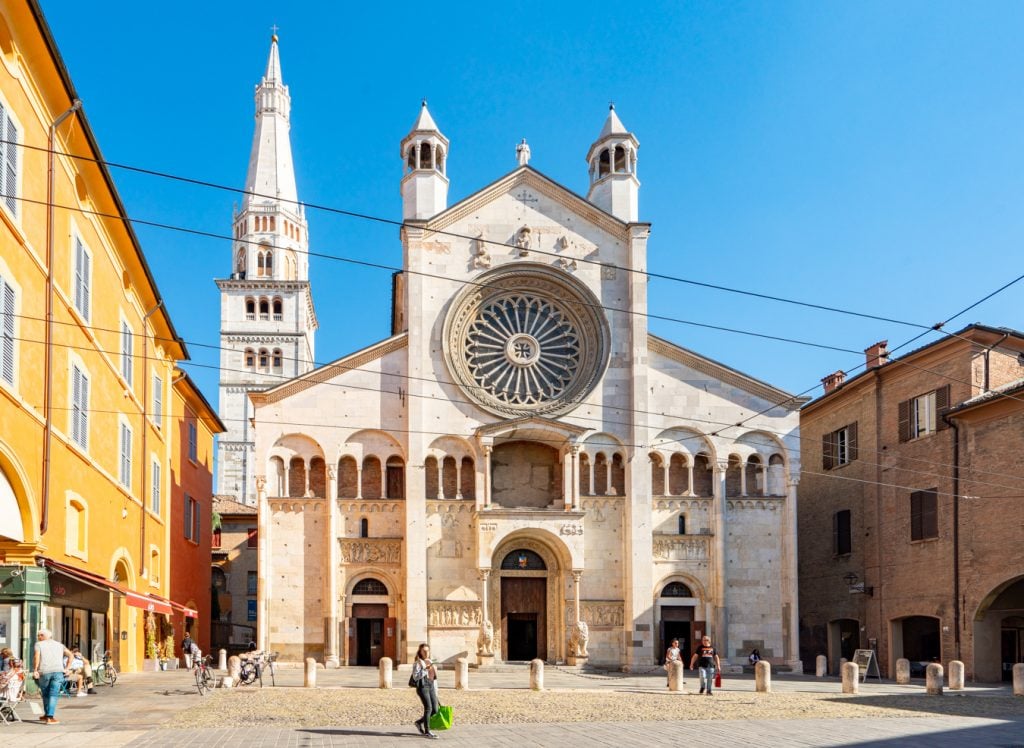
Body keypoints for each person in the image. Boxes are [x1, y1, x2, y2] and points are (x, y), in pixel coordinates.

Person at [32, 629, 73, 724]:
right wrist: (67, 668)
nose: (38, 637)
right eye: (38, 635)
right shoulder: (60, 645)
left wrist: (35, 670)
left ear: (44, 635)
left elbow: (36, 657)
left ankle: (49, 717)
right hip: (58, 671)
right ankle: (48, 715)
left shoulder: (39, 644)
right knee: (52, 694)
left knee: (46, 694)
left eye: (40, 635)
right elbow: (71, 655)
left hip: (45, 672)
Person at [411, 643, 439, 739]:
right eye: (424, 651)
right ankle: (427, 731)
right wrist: (425, 670)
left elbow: (434, 678)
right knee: (429, 708)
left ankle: (419, 722)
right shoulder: (418, 663)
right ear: (420, 652)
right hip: (423, 687)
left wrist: (436, 692)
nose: (426, 652)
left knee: (435, 709)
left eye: (428, 650)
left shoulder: (430, 661)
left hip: (431, 686)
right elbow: (415, 677)